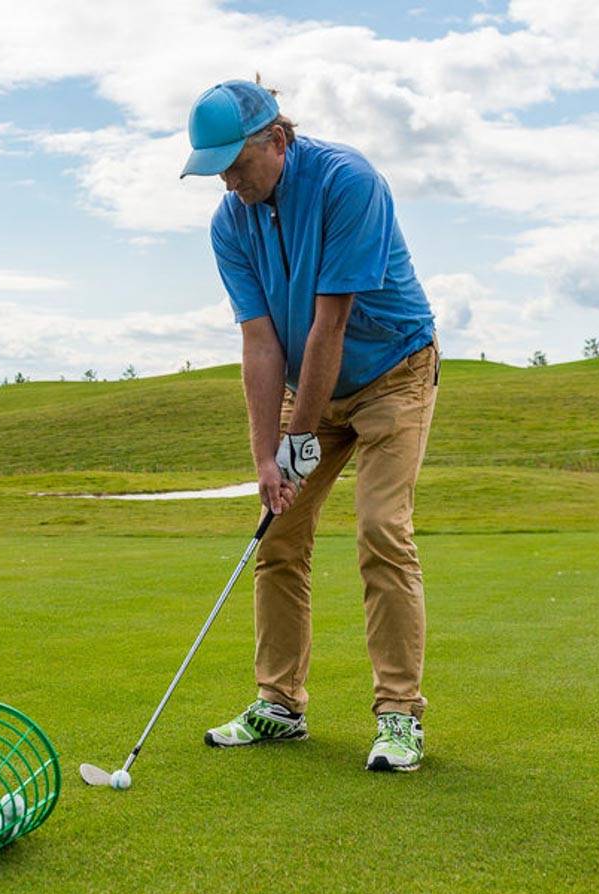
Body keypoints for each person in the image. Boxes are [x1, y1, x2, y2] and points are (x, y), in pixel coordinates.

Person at [180, 79, 440, 772]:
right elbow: (262, 343)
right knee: (279, 534)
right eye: (219, 171)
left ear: (280, 140)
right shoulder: (229, 223)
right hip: (310, 391)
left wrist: (297, 435)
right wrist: (268, 457)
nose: (232, 182)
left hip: (393, 372)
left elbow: (330, 324)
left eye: (239, 164)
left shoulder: (348, 182)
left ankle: (399, 718)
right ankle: (279, 706)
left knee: (382, 529)